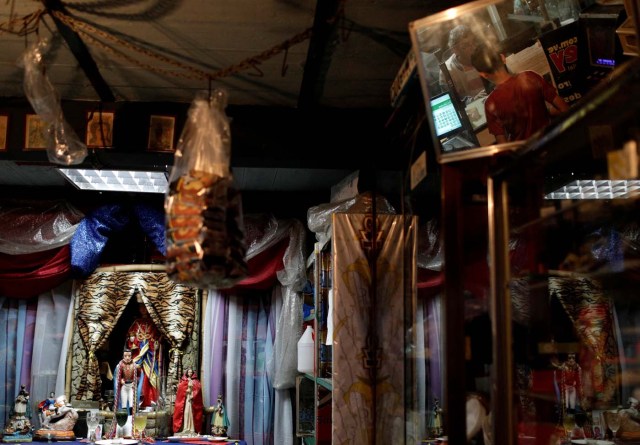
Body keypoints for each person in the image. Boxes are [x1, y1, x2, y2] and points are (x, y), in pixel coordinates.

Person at [470, 43, 569, 143]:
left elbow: (503, 145)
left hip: (525, 153)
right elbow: (565, 109)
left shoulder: (490, 103)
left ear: (483, 75)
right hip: (551, 141)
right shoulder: (530, 76)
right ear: (503, 58)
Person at [126, 300, 162, 409]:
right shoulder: (136, 323)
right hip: (139, 354)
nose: (143, 310)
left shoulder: (154, 322)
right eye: (141, 307)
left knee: (151, 375)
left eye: (145, 307)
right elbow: (130, 337)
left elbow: (158, 337)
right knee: (137, 373)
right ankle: (136, 401)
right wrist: (132, 340)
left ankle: (151, 400)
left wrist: (156, 344)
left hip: (150, 354)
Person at [439, 25, 486, 103]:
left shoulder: (485, 55)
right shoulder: (447, 71)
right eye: (466, 45)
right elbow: (452, 101)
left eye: (474, 42)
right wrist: (473, 100)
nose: (473, 47)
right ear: (455, 49)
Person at [173, 368, 204, 435]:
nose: (190, 373)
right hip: (185, 400)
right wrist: (184, 391)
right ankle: (185, 428)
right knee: (186, 413)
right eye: (189, 372)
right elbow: (181, 390)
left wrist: (192, 395)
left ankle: (191, 428)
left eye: (191, 372)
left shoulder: (195, 381)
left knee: (191, 414)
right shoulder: (183, 380)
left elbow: (197, 390)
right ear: (187, 373)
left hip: (192, 400)